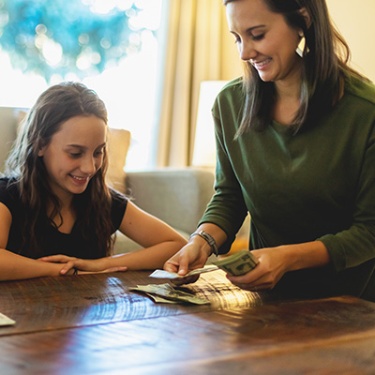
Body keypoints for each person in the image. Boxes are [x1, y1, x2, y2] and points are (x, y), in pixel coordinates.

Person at [164, 0, 375, 301]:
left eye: (257, 34)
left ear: (302, 20)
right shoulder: (229, 104)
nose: (244, 53)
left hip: (352, 307)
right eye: (237, 38)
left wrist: (287, 258)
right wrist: (201, 241)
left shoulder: (365, 112)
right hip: (265, 305)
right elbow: (230, 196)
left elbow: (370, 232)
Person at [0, 82, 187, 281]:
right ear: (40, 145)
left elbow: (177, 245)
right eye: (75, 153)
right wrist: (62, 270)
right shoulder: (7, 195)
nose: (89, 168)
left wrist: (102, 264)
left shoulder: (102, 199)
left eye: (98, 152)